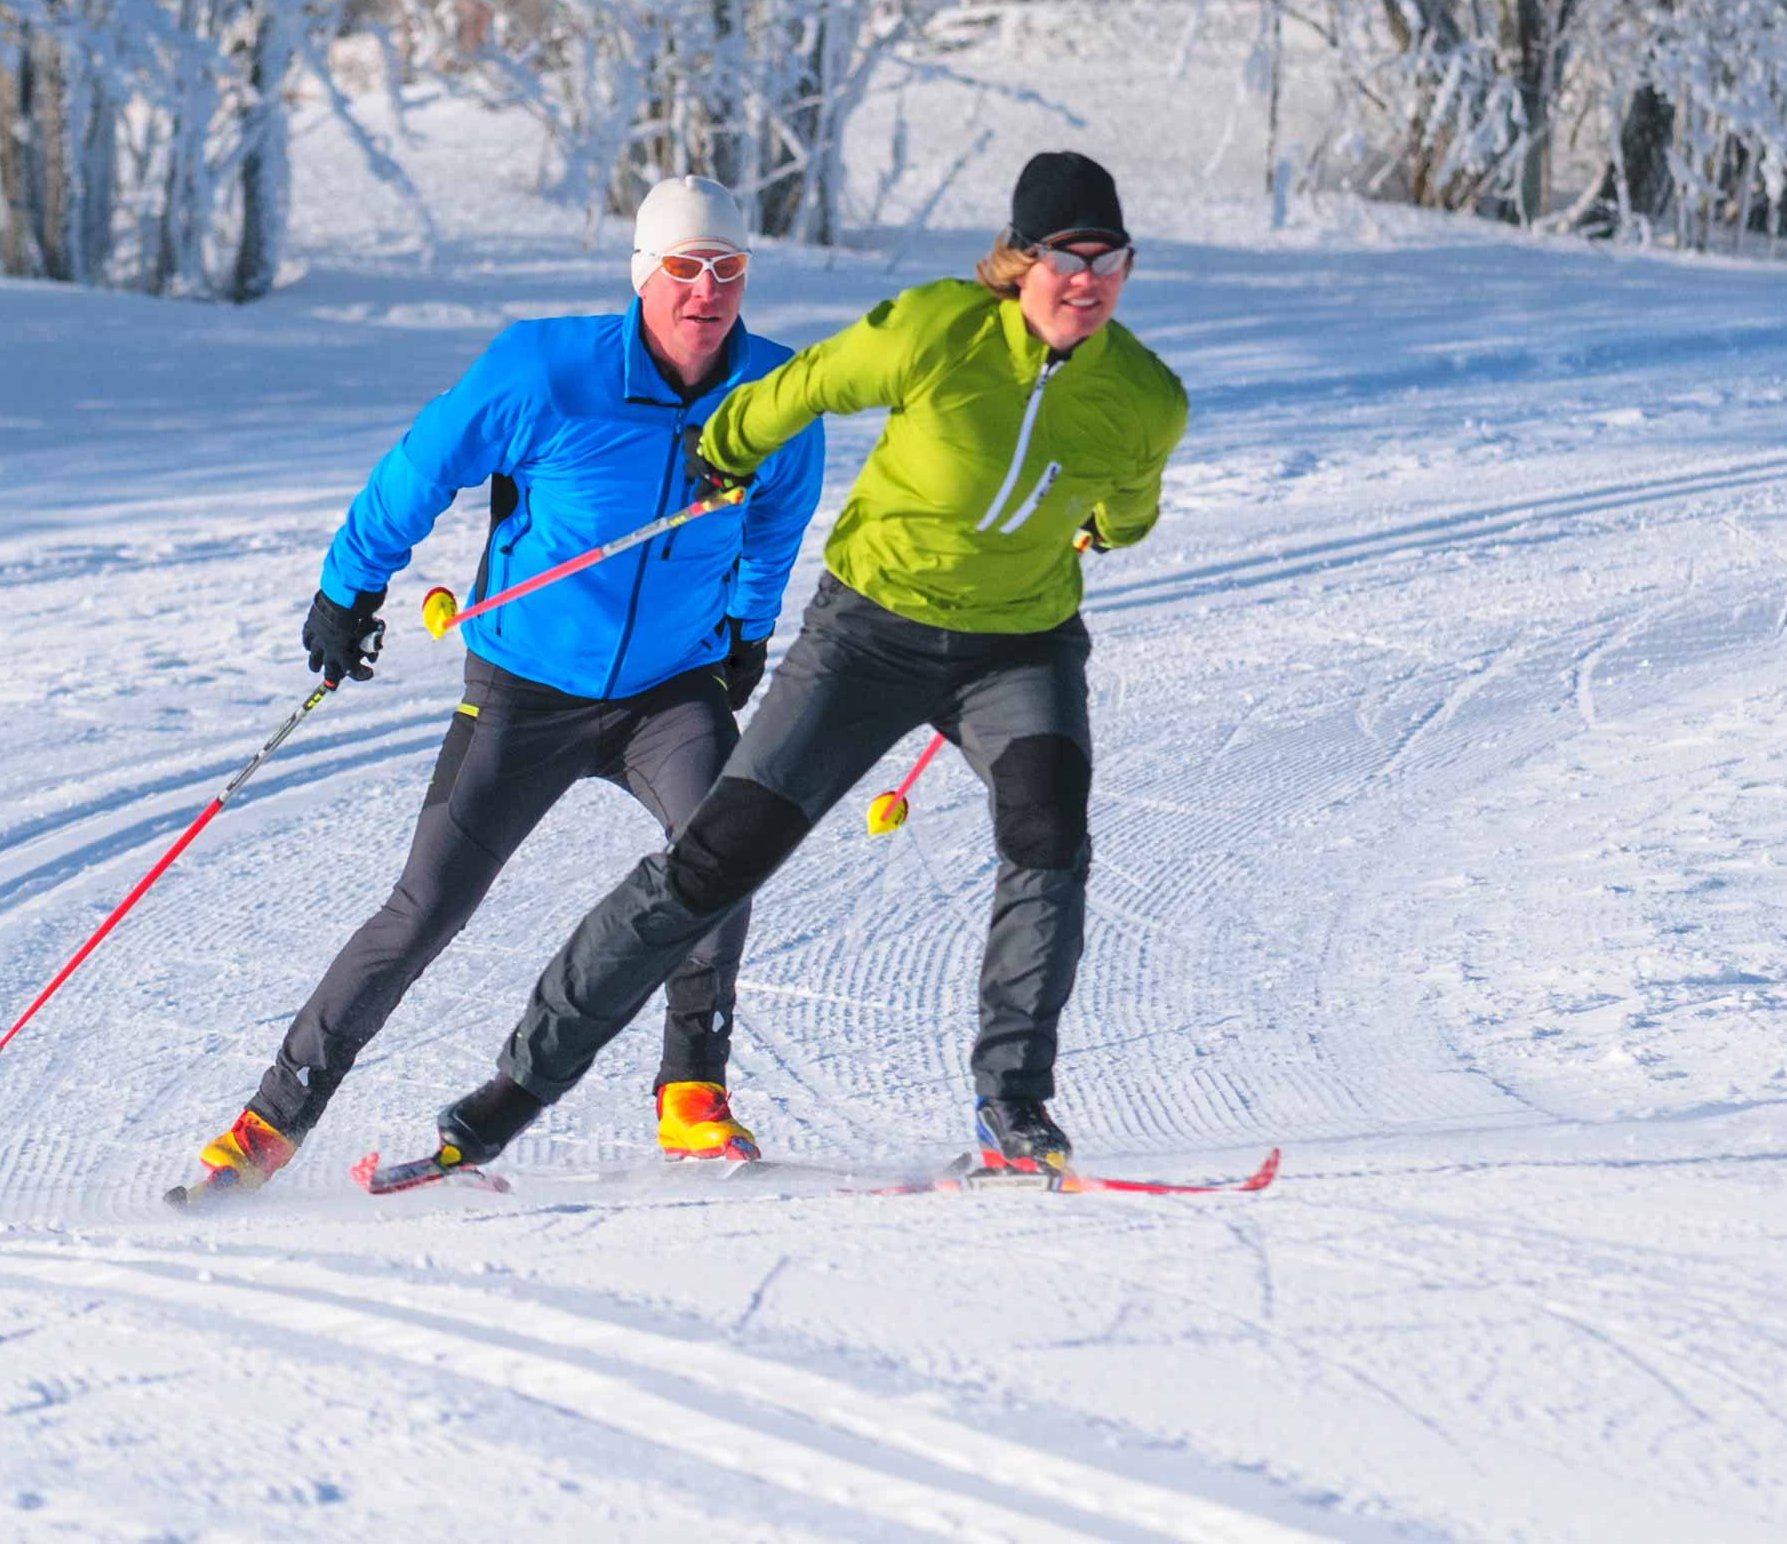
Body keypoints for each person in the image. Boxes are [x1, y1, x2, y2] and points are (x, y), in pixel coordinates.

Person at [410, 150, 1187, 1179]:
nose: (1085, 282)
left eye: (1108, 261)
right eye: (1064, 257)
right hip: (868, 632)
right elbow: (809, 382)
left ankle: (1015, 1099)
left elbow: (1129, 503)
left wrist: (1102, 526)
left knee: (1049, 840)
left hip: (1019, 642)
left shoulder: (1144, 395)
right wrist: (727, 442)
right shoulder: (936, 329)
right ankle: (512, 1092)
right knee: (714, 859)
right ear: (1017, 261)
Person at [179, 176, 826, 1199]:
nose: (706, 291)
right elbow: (417, 469)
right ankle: (270, 1119)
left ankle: (692, 1097)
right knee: (427, 902)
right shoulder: (545, 369)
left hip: (668, 687)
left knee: (721, 852)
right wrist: (348, 588)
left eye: (728, 269)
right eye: (683, 268)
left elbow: (775, 526)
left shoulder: (777, 397)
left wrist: (745, 633)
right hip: (526, 684)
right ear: (643, 276)